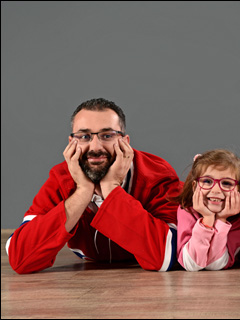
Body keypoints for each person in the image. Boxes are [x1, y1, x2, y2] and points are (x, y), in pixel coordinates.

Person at [6, 98, 182, 274]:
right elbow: (20, 258)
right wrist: (82, 192)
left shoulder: (157, 175)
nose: (95, 147)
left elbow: (166, 256)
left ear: (125, 142)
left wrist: (111, 189)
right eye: (84, 136)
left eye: (107, 135)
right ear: (71, 143)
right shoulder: (61, 177)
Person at [173, 149, 240, 271]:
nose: (216, 190)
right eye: (207, 181)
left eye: (226, 183)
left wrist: (222, 220)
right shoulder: (186, 209)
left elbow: (216, 264)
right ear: (195, 186)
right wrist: (207, 220)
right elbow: (192, 264)